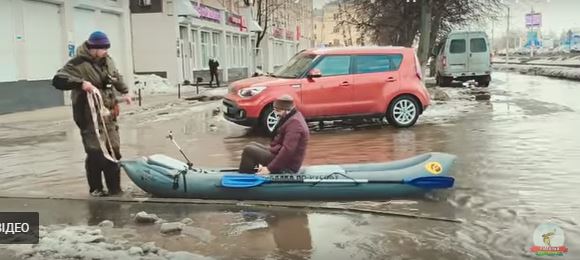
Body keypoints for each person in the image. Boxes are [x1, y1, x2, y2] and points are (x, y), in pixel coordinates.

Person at [52, 31, 132, 197]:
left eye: (107, 48)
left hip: (108, 113)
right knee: (95, 151)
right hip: (88, 115)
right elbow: (58, 80)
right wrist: (80, 83)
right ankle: (96, 188)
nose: (106, 51)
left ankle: (115, 190)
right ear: (93, 49)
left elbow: (116, 77)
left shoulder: (108, 61)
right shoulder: (77, 63)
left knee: (113, 149)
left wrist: (125, 92)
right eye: (103, 48)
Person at [238, 95, 309, 174]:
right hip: (279, 155)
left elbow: (287, 151)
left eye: (278, 110)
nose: (276, 113)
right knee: (252, 144)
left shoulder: (295, 124)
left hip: (288, 165)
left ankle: (243, 179)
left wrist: (269, 169)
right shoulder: (292, 117)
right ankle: (252, 171)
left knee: (249, 150)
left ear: (286, 110)